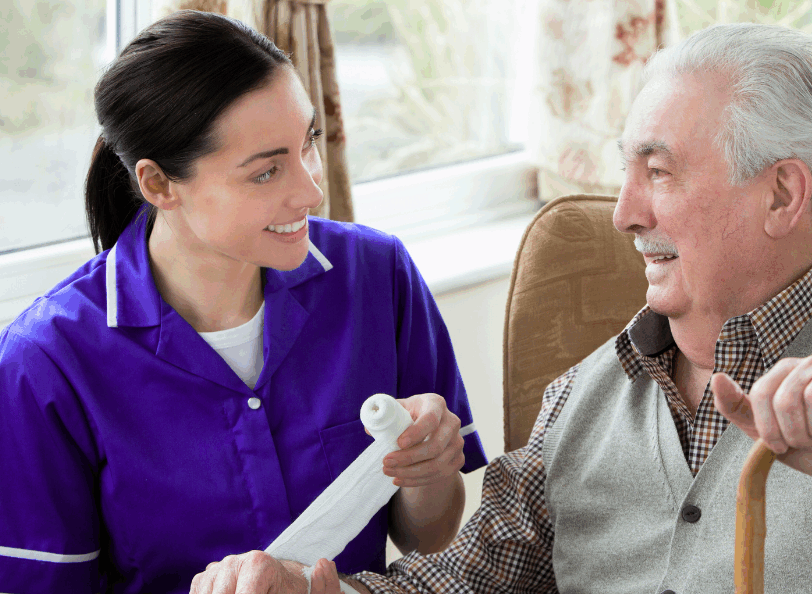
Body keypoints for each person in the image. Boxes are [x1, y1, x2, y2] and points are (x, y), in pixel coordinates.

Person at [190, 21, 812, 594]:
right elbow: (469, 578)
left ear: (782, 194)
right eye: (627, 171)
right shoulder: (580, 399)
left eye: (660, 172)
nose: (625, 214)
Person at [0, 11, 489, 593]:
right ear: (158, 184)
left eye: (308, 141)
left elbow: (426, 538)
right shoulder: (46, 362)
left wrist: (428, 473)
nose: (311, 189)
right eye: (265, 173)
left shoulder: (378, 277)